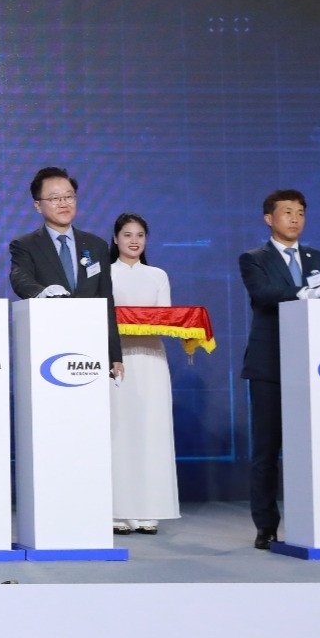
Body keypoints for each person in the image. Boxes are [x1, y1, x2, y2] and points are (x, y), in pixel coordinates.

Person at [238, 188, 320, 550]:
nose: (295, 219)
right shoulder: (253, 259)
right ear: (269, 219)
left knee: (314, 447)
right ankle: (266, 525)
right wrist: (303, 293)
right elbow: (263, 294)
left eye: (300, 213)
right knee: (266, 452)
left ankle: (318, 521)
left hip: (314, 366)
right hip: (269, 365)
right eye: (287, 212)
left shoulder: (319, 258)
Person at [7, 166, 123, 377]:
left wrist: (115, 355)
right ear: (38, 205)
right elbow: (20, 278)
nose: (63, 203)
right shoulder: (25, 245)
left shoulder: (96, 245)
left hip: (91, 346)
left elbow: (106, 299)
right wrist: (42, 292)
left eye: (69, 196)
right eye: (54, 198)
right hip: (49, 343)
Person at [107, 212, 179, 536]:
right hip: (116, 359)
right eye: (127, 235)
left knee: (151, 430)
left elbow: (165, 318)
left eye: (140, 235)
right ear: (115, 239)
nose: (134, 241)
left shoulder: (157, 275)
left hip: (151, 358)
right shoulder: (106, 274)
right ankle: (116, 509)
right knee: (119, 431)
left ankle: (150, 509)